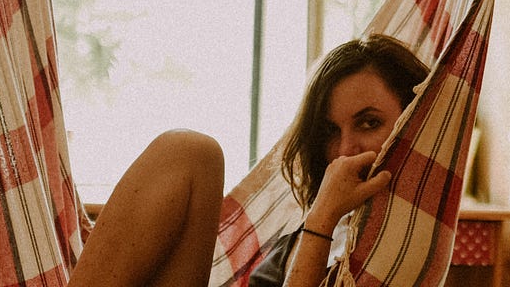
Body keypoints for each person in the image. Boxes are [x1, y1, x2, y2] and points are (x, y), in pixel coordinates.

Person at [67, 34, 424, 287]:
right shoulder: (332, 221)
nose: (345, 149)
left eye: (369, 122)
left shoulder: (404, 237)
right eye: (330, 131)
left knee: (188, 153)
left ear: (415, 122)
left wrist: (323, 217)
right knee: (192, 153)